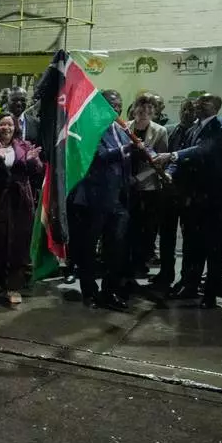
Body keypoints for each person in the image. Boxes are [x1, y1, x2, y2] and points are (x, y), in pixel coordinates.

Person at [153, 93, 222, 308]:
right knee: (192, 246)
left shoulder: (221, 130)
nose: (198, 105)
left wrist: (171, 156)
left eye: (204, 102)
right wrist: (170, 175)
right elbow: (185, 163)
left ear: (216, 106)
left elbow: (203, 150)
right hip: (193, 200)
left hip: (213, 201)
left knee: (213, 249)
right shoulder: (193, 129)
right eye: (197, 102)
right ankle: (189, 284)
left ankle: (211, 294)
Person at [69, 90, 134, 309]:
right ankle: (89, 292)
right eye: (111, 105)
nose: (115, 109)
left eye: (119, 106)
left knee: (115, 249)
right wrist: (127, 149)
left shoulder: (123, 130)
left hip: (119, 199)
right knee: (88, 249)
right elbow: (98, 156)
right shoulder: (89, 129)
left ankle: (110, 291)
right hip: (93, 199)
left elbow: (130, 156)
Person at [0, 112, 43, 304]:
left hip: (19, 202)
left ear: (15, 127)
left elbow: (36, 170)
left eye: (10, 125)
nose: (6, 128)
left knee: (17, 246)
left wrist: (31, 160)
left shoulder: (24, 146)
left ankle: (13, 287)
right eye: (2, 125)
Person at [152, 98, 197, 287]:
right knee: (167, 237)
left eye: (192, 110)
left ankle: (187, 279)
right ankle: (165, 274)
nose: (187, 113)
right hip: (167, 193)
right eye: (184, 109)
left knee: (190, 241)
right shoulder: (168, 131)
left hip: (190, 195)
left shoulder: (199, 133)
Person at [126, 94, 169, 281]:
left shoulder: (160, 131)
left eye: (149, 110)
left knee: (146, 229)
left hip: (148, 187)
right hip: (125, 184)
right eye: (141, 109)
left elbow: (160, 163)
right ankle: (126, 262)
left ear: (155, 112)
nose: (144, 113)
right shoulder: (124, 127)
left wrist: (138, 178)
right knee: (128, 227)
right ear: (134, 109)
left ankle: (141, 263)